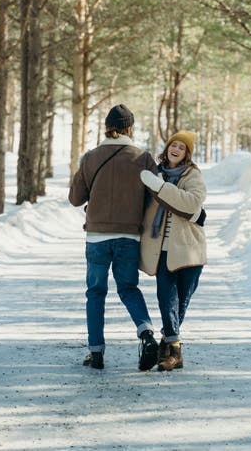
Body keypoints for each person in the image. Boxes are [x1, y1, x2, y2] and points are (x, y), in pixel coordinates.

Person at [69, 103, 159, 371]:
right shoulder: (143, 157)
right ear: (130, 128)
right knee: (129, 288)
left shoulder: (91, 157)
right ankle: (146, 333)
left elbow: (75, 199)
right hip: (128, 236)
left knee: (95, 293)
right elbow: (157, 194)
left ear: (107, 129)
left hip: (97, 236)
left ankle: (96, 353)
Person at [139, 129, 207, 371]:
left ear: (187, 154)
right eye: (173, 145)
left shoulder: (192, 175)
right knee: (165, 300)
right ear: (167, 148)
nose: (176, 149)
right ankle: (175, 350)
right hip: (161, 249)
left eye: (182, 147)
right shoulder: (154, 174)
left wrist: (161, 187)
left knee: (181, 302)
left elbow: (191, 202)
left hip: (189, 249)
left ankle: (166, 346)